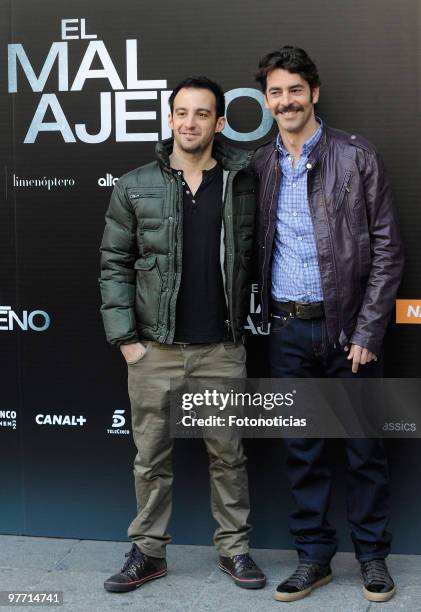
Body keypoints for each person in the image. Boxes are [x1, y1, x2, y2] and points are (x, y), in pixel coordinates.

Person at [99, 76, 266, 593]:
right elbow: (114, 264)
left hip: (220, 348)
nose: (190, 123)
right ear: (170, 119)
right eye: (181, 113)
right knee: (150, 458)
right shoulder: (135, 184)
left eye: (202, 114)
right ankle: (147, 552)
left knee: (228, 456)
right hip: (155, 350)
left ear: (219, 123)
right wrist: (127, 340)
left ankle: (234, 550)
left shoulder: (242, 182)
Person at [253, 46, 403, 603]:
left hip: (349, 333)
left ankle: (372, 558)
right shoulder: (261, 166)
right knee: (303, 449)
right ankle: (313, 558)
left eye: (295, 90)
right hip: (287, 331)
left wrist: (368, 330)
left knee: (364, 448)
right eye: (275, 92)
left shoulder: (357, 156)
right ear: (265, 100)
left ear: (314, 93)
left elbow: (387, 247)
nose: (286, 101)